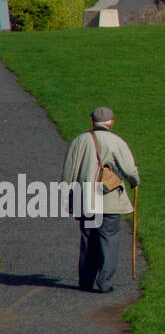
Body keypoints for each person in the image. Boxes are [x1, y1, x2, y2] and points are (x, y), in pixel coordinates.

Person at [62, 107, 139, 294]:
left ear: (92, 122)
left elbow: (68, 173)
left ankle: (86, 280)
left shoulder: (79, 141)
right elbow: (129, 170)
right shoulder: (118, 142)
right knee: (109, 239)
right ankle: (105, 282)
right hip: (109, 199)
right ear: (111, 123)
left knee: (88, 238)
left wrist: (67, 198)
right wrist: (135, 182)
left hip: (86, 198)